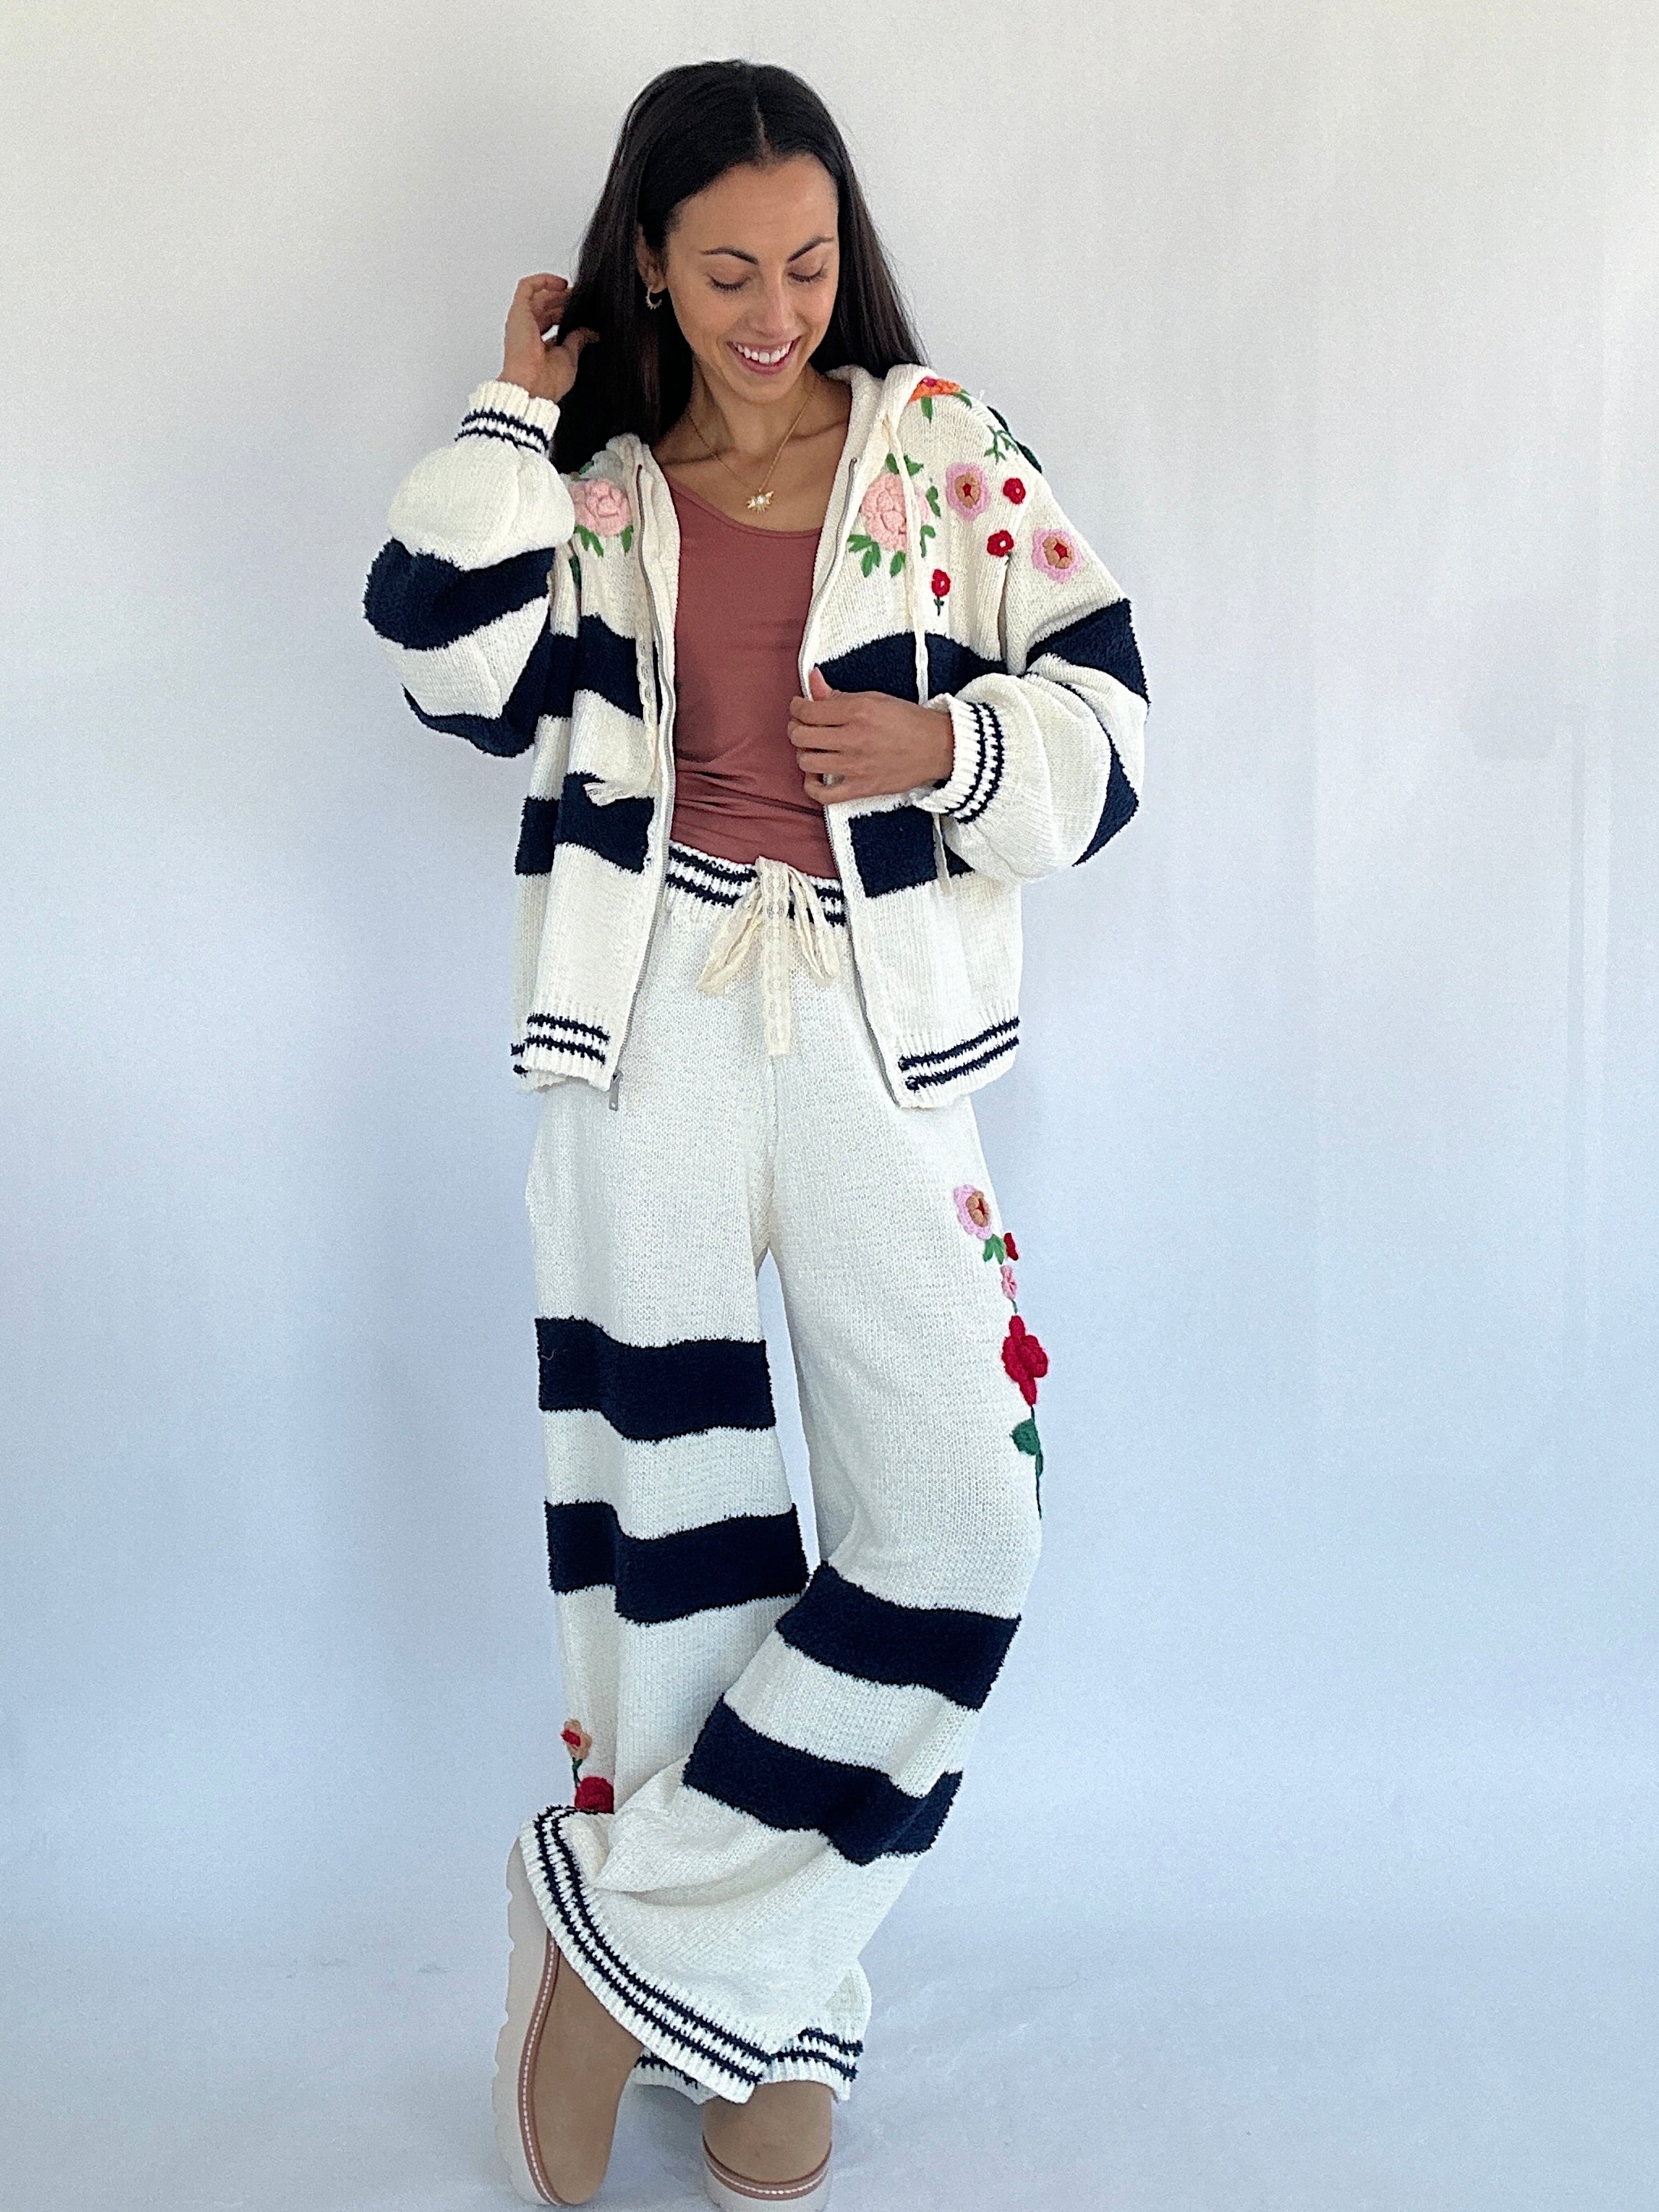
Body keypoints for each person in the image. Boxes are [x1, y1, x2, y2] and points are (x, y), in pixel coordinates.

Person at [364, 56, 1148, 2211]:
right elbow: (438, 667)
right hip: (648, 1034)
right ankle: (773, 2026)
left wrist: (947, 743)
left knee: (962, 1521)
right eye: (729, 270)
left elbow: (1113, 725)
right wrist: (517, 412)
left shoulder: (941, 454)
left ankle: (621, 1958)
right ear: (650, 264)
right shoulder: (594, 491)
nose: (779, 305)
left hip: (879, 1027)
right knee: (680, 1534)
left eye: (808, 260)